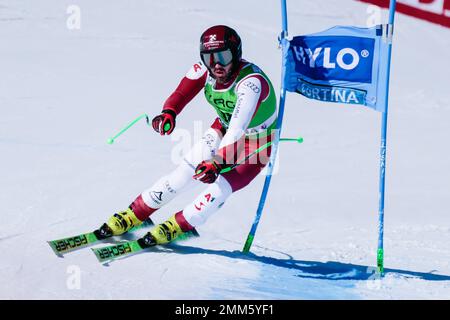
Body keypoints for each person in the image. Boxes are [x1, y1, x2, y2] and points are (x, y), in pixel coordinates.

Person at [96, 25, 278, 247]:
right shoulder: (205, 69)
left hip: (257, 144)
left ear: (236, 53)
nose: (216, 64)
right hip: (222, 129)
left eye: (223, 56)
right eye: (209, 58)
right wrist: (168, 112)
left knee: (219, 189)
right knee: (184, 174)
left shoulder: (250, 83)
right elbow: (182, 93)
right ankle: (136, 214)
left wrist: (218, 162)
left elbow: (238, 129)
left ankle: (181, 225)